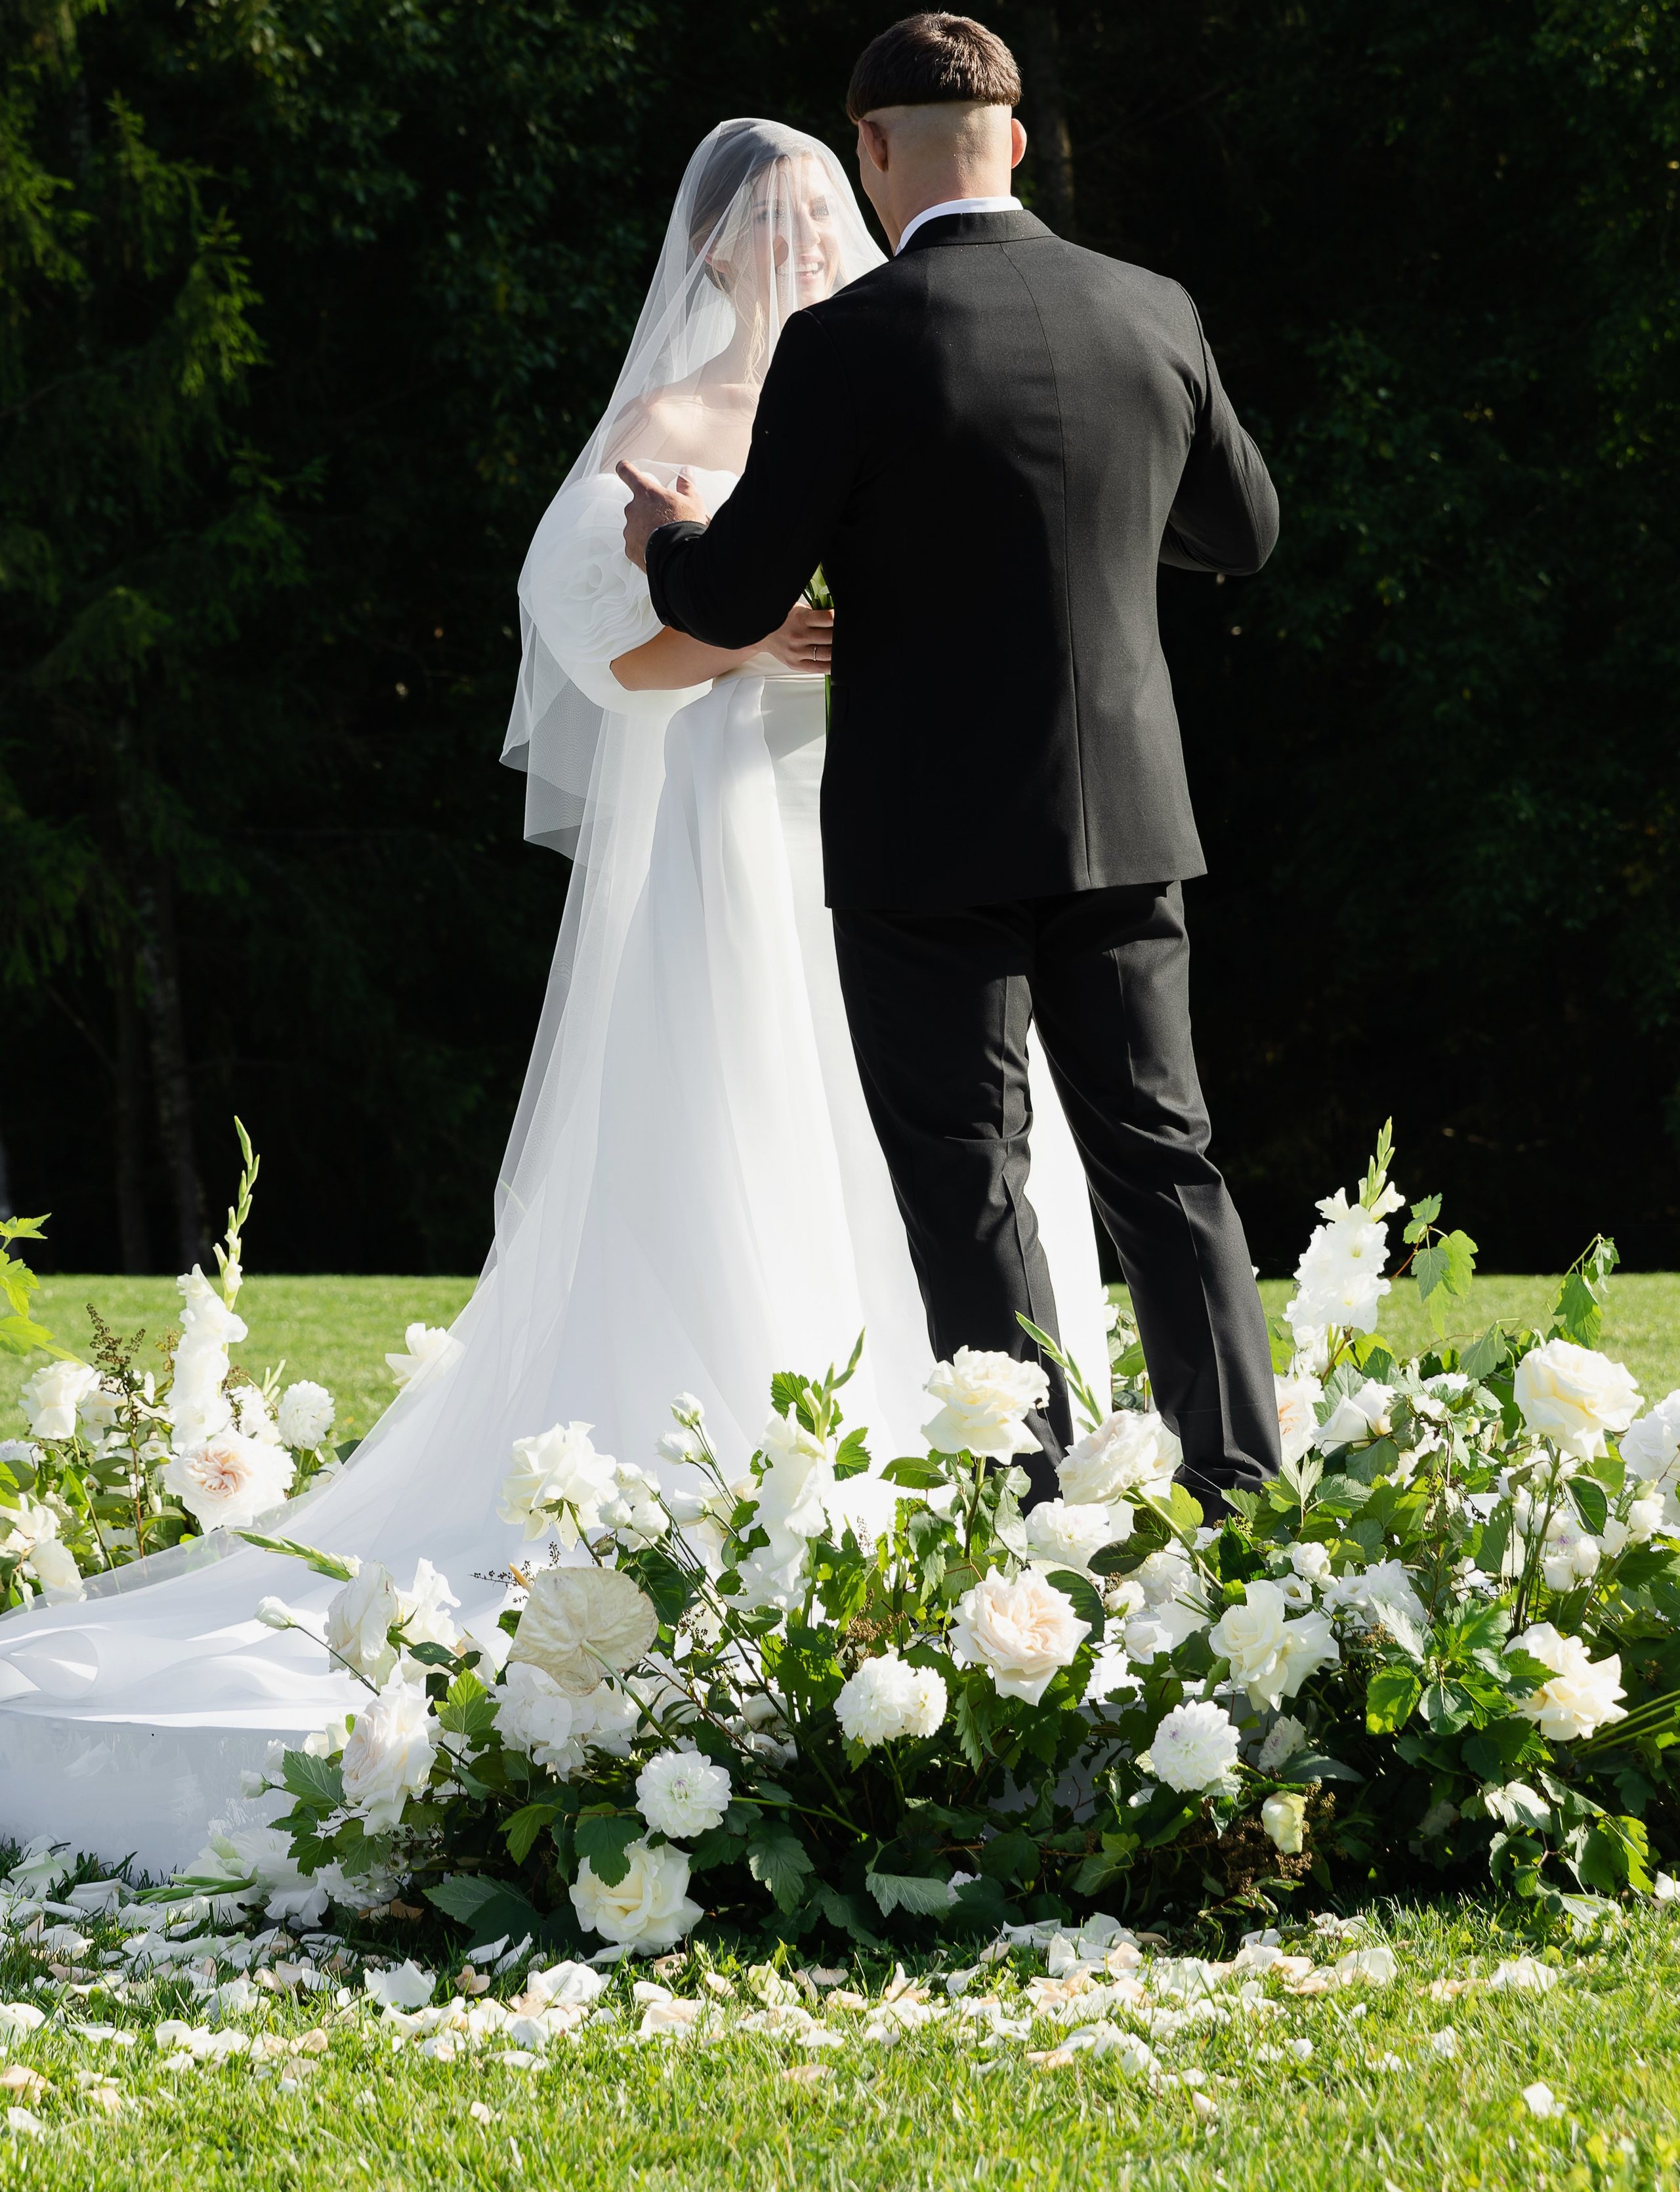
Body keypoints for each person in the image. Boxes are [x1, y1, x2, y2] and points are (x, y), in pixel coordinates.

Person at [0, 117, 1110, 1872]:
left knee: (939, 1142)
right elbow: (598, 653)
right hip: (737, 839)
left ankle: (980, 1470)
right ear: (724, 255)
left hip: (891, 831)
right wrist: (747, 637)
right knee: (741, 1125)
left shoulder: (885, 394)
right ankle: (735, 1462)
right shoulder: (664, 434)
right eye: (784, 227)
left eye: (832, 216)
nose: (815, 246)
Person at [623, 18, 1283, 1510]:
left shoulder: (847, 345)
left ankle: (1037, 1518)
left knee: (967, 1181)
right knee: (1164, 1161)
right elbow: (1241, 536)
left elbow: (731, 601)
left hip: (924, 836)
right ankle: (1248, 1498)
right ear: (1018, 139)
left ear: (870, 149)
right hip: (1122, 815)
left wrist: (657, 538)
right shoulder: (1150, 307)